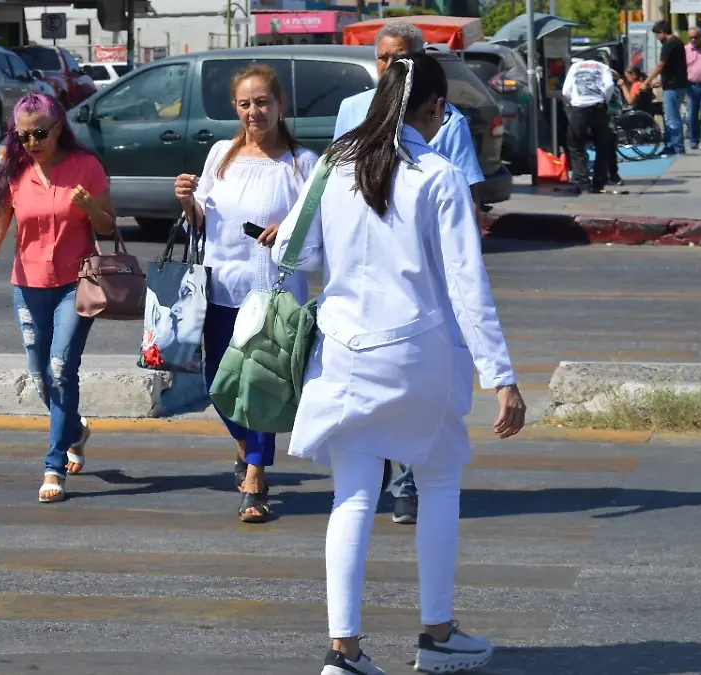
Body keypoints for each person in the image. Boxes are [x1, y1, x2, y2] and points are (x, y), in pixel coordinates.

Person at [273, 52, 526, 675]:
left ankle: (344, 653)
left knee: (352, 498)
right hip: (418, 356)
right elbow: (469, 286)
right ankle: (436, 635)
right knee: (438, 482)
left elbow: (292, 251)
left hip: (340, 355)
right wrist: (502, 376)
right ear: (436, 108)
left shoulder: (334, 164)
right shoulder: (437, 175)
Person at [331, 20, 485, 526]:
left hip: (426, 285)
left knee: (420, 397)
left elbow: (462, 200)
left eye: (400, 60)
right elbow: (335, 193)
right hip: (362, 287)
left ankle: (407, 482)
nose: (389, 70)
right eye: (382, 59)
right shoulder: (352, 113)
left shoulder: (448, 126)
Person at [173, 64, 318, 523]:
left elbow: (316, 232)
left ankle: (255, 475)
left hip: (272, 293)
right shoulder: (221, 154)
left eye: (262, 102)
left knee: (261, 385)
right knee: (219, 385)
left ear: (280, 105)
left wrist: (287, 232)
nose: (253, 111)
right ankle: (245, 448)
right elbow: (203, 222)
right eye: (244, 103)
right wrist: (186, 201)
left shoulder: (303, 163)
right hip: (220, 288)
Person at [0, 92, 117, 504]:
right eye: (24, 135)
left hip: (77, 283)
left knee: (61, 367)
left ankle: (54, 465)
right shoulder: (15, 172)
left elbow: (108, 225)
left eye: (40, 133)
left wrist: (89, 207)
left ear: (58, 129)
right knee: (39, 375)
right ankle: (74, 430)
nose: (32, 142)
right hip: (27, 284)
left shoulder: (86, 167)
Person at [563, 55, 616, 194]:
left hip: (579, 108)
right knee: (602, 145)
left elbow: (565, 91)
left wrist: (574, 100)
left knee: (575, 145)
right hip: (598, 107)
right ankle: (599, 183)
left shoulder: (575, 67)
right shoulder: (604, 67)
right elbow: (610, 85)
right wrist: (604, 99)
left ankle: (582, 182)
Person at [644, 21, 690, 155]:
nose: (657, 38)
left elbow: (661, 65)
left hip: (673, 86)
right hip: (675, 84)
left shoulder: (669, 44)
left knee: (671, 118)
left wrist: (646, 81)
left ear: (662, 32)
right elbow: (673, 67)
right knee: (671, 116)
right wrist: (660, 81)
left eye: (657, 35)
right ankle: (670, 145)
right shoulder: (678, 42)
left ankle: (676, 147)